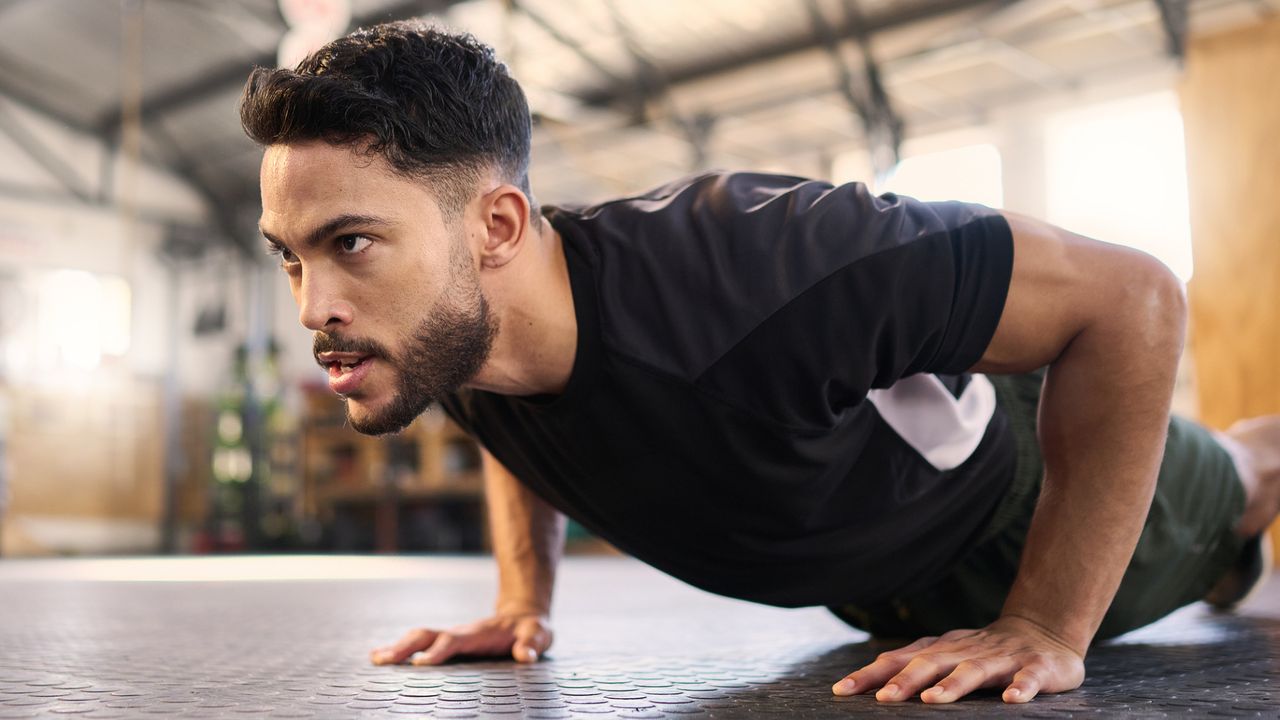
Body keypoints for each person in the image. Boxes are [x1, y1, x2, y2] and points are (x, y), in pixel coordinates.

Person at [238, 21, 1279, 704]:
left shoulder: (759, 262)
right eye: (288, 255)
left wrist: (1045, 620)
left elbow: (1133, 296)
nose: (312, 305)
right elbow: (518, 417)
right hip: (876, 596)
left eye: (350, 243)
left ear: (496, 226)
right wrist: (524, 600)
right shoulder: (443, 336)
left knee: (1243, 480)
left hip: (1019, 510)